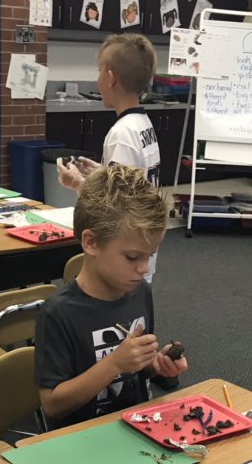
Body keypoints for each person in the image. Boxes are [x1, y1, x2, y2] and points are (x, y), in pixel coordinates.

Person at [34, 165, 187, 428]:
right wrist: (114, 364)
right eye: (132, 257)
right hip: (81, 439)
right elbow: (52, 405)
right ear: (91, 243)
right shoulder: (58, 313)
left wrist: (156, 365)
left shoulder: (140, 291)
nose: (144, 268)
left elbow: (139, 370)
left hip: (138, 427)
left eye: (149, 256)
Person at [58, 34, 160, 194]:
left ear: (111, 78)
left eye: (100, 71)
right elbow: (132, 183)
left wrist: (78, 183)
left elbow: (117, 206)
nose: (98, 79)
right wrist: (103, 173)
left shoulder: (121, 135)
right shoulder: (142, 123)